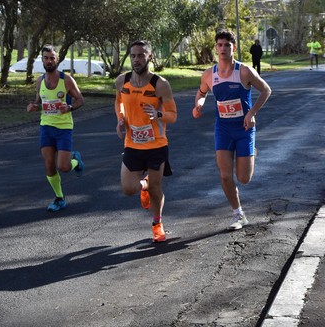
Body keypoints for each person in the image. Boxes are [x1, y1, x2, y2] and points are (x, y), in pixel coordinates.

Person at [192, 29, 271, 230]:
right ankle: (238, 214)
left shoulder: (244, 71)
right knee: (225, 175)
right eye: (219, 45)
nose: (223, 48)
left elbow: (266, 90)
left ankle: (250, 152)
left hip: (244, 128)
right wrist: (199, 104)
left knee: (243, 178)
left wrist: (252, 112)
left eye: (227, 45)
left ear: (233, 48)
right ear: (216, 48)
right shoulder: (210, 74)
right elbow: (201, 93)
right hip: (223, 129)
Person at [115, 40, 177, 242]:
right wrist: (121, 118)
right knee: (128, 188)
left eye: (141, 55)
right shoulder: (121, 81)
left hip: (156, 144)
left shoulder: (160, 84)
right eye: (133, 56)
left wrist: (158, 114)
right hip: (133, 144)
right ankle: (145, 184)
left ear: (150, 57)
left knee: (156, 189)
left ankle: (157, 223)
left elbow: (173, 115)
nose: (136, 60)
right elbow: (119, 102)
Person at [27, 45, 85, 212]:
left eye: (52, 58)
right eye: (46, 58)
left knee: (64, 167)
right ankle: (60, 198)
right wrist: (34, 106)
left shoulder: (66, 80)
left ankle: (76, 159)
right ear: (42, 60)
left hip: (64, 127)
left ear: (57, 60)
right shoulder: (39, 81)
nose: (49, 61)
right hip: (46, 126)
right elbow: (39, 101)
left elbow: (80, 100)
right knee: (49, 164)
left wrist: (70, 108)